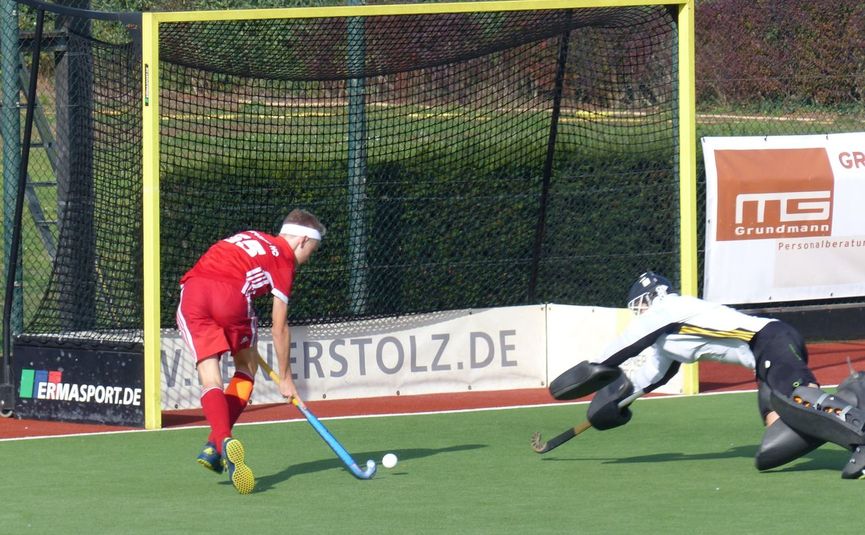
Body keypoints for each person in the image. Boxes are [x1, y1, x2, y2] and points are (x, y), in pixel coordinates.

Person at [549, 271, 865, 479]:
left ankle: (859, 436)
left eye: (639, 306)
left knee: (798, 399)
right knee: (772, 448)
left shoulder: (668, 308)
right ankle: (852, 395)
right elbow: (650, 375)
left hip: (771, 341)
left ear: (650, 298)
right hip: (763, 361)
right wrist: (616, 401)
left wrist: (597, 365)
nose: (639, 313)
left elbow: (628, 342)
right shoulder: (667, 338)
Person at [175, 208, 326, 494]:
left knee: (210, 378)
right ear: (303, 241)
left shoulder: (252, 235)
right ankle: (215, 444)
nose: (308, 258)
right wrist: (286, 378)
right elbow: (279, 328)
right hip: (232, 297)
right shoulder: (284, 261)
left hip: (195, 292)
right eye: (312, 251)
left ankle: (219, 442)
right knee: (245, 369)